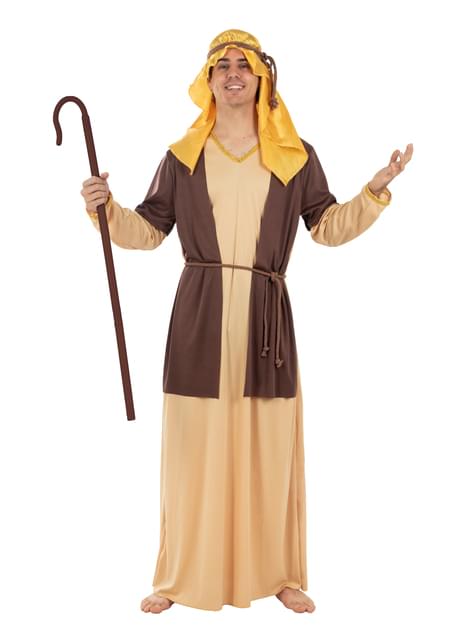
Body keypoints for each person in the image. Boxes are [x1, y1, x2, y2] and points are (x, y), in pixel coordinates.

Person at [80, 29, 413, 614]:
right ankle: (179, 576)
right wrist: (105, 210)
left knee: (268, 450)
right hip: (201, 314)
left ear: (262, 79)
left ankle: (279, 573)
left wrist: (373, 192)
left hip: (266, 322)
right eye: (222, 65)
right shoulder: (182, 157)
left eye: (244, 65)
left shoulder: (294, 154)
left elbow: (327, 227)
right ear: (207, 81)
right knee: (194, 453)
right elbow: (148, 232)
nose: (233, 73)